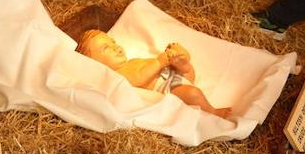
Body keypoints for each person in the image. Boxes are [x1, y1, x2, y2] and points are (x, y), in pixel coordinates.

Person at [75, 30, 231, 118]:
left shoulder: (132, 61)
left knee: (188, 68)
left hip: (172, 75)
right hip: (168, 88)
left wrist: (171, 59)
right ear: (95, 64)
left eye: (113, 42)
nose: (115, 47)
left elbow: (150, 65)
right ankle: (212, 112)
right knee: (193, 93)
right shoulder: (118, 76)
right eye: (106, 48)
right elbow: (139, 78)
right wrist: (160, 61)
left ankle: (182, 62)